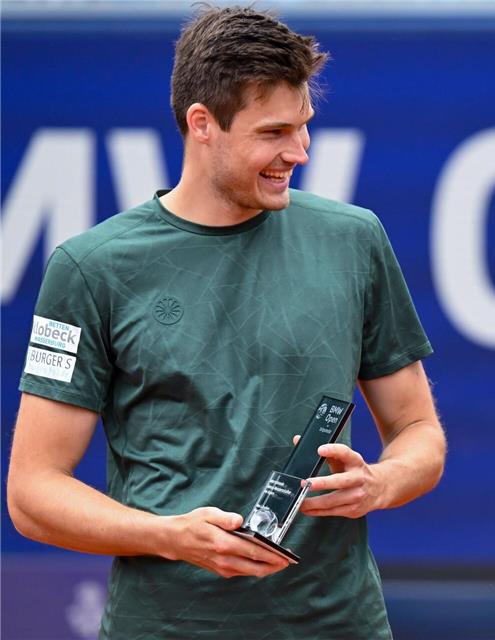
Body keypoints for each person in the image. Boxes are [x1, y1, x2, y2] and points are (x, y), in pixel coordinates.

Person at [7, 6, 445, 639]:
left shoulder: (356, 239)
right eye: (273, 133)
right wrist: (168, 536)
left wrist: (379, 482)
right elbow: (32, 493)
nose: (298, 152)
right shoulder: (88, 268)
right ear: (202, 125)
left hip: (338, 626)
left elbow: (418, 431)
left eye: (304, 127)